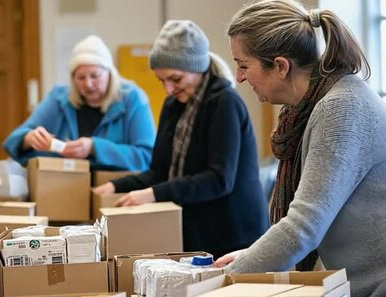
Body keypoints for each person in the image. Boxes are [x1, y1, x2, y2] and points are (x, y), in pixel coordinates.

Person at [214, 1, 386, 297]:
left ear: (280, 66)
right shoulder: (317, 106)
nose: (239, 77)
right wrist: (249, 257)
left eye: (244, 65)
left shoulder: (338, 108)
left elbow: (303, 227)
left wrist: (219, 284)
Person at [94, 20, 269, 259]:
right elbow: (159, 173)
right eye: (161, 80)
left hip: (232, 236)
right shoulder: (173, 105)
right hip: (193, 233)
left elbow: (218, 179)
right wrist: (116, 186)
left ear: (197, 67)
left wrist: (153, 193)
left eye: (175, 79)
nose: (168, 89)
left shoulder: (224, 103)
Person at [3, 35, 156, 171]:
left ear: (110, 74)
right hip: (65, 189)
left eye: (95, 76)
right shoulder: (59, 99)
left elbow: (147, 156)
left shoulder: (133, 98)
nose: (88, 84)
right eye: (80, 78)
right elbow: (12, 142)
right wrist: (28, 138)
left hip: (118, 192)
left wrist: (94, 148)